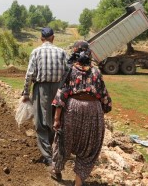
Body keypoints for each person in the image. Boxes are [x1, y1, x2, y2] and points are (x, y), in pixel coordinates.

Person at [51, 40, 112, 186]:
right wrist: (104, 108)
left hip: (73, 109)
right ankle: (78, 182)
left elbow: (62, 95)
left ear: (75, 53)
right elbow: (104, 96)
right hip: (93, 111)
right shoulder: (96, 71)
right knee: (89, 147)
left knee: (63, 141)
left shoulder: (70, 70)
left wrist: (56, 118)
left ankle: (57, 170)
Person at [21, 27, 68, 166]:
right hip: (58, 88)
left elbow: (29, 74)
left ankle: (48, 156)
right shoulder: (61, 52)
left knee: (41, 121)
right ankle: (56, 150)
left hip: (41, 88)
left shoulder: (36, 52)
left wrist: (25, 93)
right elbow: (67, 72)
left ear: (41, 39)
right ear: (53, 38)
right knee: (56, 119)